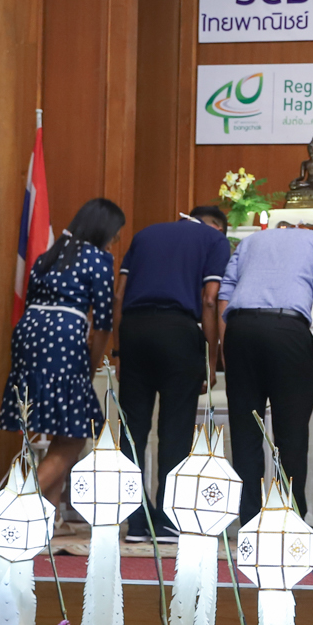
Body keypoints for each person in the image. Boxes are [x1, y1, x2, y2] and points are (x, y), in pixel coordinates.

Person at [219, 212, 313, 528]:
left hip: (239, 330)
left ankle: (249, 521)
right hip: (287, 330)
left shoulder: (250, 241)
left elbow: (224, 295)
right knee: (291, 434)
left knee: (245, 432)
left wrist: (225, 350)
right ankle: (291, 521)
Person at [114, 205, 231, 540]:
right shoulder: (214, 240)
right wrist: (211, 358)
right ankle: (167, 520)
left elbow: (119, 296)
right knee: (175, 428)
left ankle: (136, 521)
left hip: (134, 330)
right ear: (217, 226)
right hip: (178, 331)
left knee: (132, 429)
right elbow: (209, 300)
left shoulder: (145, 234)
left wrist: (118, 351)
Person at [0, 197, 125, 509]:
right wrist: (91, 366)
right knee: (74, 438)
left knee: (63, 431)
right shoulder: (98, 259)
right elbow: (104, 323)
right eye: (115, 234)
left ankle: (50, 518)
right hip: (63, 338)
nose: (114, 241)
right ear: (102, 230)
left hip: (29, 335)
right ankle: (13, 505)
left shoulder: (48, 256)